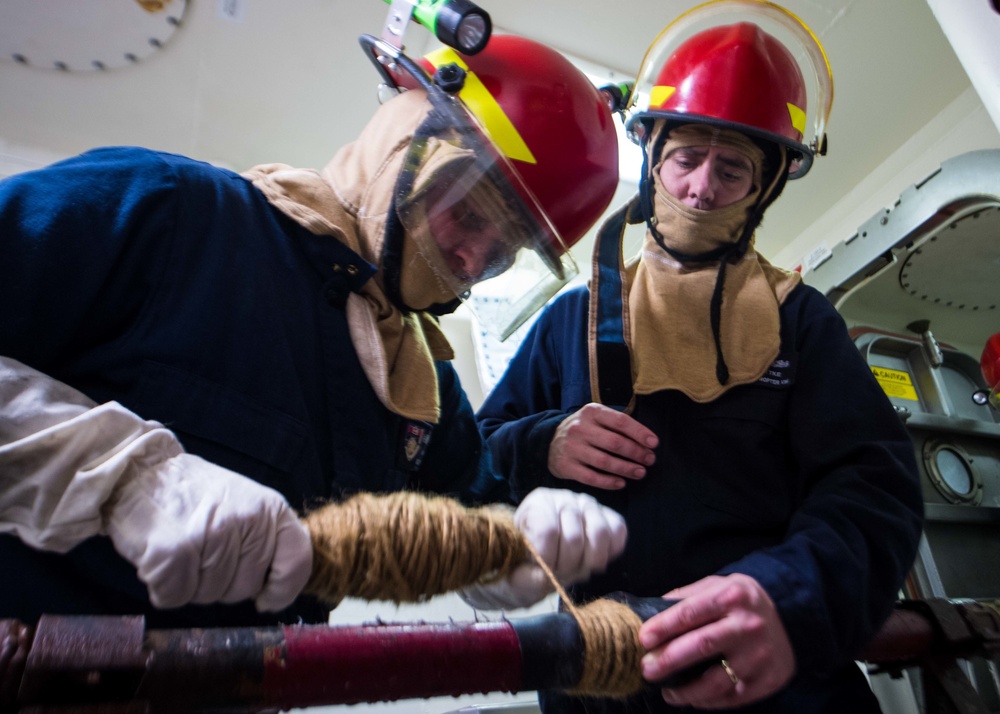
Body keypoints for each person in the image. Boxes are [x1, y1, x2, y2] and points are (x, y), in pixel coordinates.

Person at [0, 33, 626, 629]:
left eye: (503, 251)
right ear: (405, 143)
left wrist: (520, 541)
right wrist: (127, 481)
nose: (471, 259)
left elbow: (471, 515)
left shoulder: (421, 387)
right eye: (467, 212)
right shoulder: (170, 211)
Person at [476, 2, 925, 712]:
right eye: (686, 157)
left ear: (765, 188)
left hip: (777, 683)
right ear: (653, 163)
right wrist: (541, 444)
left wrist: (786, 595)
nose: (701, 187)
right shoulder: (572, 320)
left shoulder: (800, 321)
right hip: (597, 682)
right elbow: (467, 461)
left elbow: (874, 491)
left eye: (733, 168)